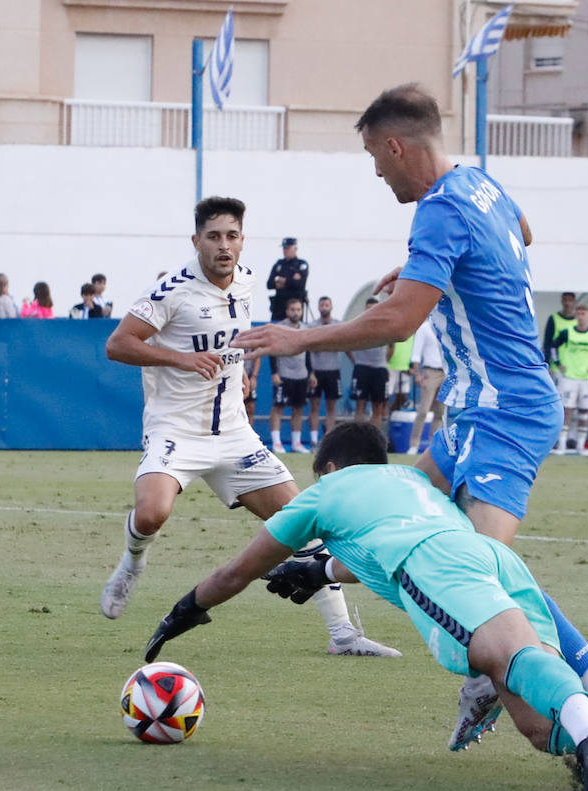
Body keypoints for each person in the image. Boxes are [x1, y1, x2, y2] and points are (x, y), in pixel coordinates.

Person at [236, 85, 588, 750]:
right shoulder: (480, 186)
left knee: (480, 575)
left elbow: (400, 319)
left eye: (375, 155)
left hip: (505, 411)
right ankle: (329, 573)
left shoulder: (438, 210)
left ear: (397, 145)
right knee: (404, 517)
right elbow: (522, 234)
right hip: (474, 411)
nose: (375, 170)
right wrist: (424, 266)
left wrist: (299, 338)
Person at [144, 421, 588, 791]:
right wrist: (323, 570)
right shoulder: (413, 486)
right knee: (539, 727)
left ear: (330, 467)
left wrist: (186, 609)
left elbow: (237, 571)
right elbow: (376, 550)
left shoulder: (327, 491)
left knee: (503, 657)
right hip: (490, 560)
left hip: (438, 569)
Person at [97, 195, 399, 659]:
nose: (224, 246)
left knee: (306, 523)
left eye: (232, 236)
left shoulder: (248, 282)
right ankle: (132, 564)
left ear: (243, 240)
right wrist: (182, 359)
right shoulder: (171, 290)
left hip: (235, 434)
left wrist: (239, 376)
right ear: (195, 240)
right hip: (177, 431)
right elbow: (118, 345)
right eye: (213, 236)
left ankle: (343, 635)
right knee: (152, 513)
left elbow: (232, 341)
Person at [548, 302, 588, 456]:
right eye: (578, 313)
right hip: (569, 378)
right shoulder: (568, 333)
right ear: (575, 315)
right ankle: (561, 445)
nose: (581, 316)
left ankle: (581, 445)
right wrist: (558, 363)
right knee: (566, 411)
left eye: (584, 313)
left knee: (584, 412)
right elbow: (553, 346)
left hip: (586, 379)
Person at [265, 297, 316, 454]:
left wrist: (311, 373)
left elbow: (307, 354)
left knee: (298, 409)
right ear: (287, 311)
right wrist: (274, 373)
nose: (296, 312)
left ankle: (296, 443)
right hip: (284, 375)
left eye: (298, 310)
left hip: (301, 375)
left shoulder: (305, 329)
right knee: (278, 408)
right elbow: (272, 352)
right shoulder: (280, 328)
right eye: (293, 309)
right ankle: (277, 443)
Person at [303, 295, 341, 447]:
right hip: (316, 371)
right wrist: (310, 372)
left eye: (327, 305)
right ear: (318, 307)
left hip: (333, 371)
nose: (324, 307)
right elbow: (307, 350)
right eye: (322, 305)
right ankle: (313, 440)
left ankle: (328, 441)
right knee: (315, 406)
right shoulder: (312, 326)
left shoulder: (338, 325)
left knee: (331, 407)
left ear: (331, 307)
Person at [347, 297, 390, 431]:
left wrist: (384, 362)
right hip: (362, 369)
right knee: (360, 406)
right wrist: (356, 362)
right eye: (369, 309)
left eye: (374, 308)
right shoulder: (357, 326)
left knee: (378, 407)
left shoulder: (387, 327)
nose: (371, 311)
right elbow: (347, 346)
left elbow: (392, 347)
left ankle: (373, 440)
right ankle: (358, 441)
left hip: (380, 370)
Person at [406, 313, 445, 455]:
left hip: (445, 373)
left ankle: (433, 446)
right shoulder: (425, 328)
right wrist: (417, 374)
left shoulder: (446, 328)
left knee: (440, 413)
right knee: (423, 411)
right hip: (430, 371)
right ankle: (414, 445)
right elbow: (416, 352)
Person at [266, 236, 308, 322]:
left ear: (295, 248)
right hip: (279, 307)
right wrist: (291, 281)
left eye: (288, 248)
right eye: (284, 248)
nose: (285, 250)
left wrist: (283, 281)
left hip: (295, 309)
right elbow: (269, 284)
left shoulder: (301, 264)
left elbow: (300, 283)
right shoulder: (279, 264)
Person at [541, 292, 579, 366]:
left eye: (570, 300)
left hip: (575, 366)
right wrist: (547, 362)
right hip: (557, 365)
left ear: (574, 302)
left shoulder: (579, 320)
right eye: (565, 300)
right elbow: (547, 342)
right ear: (562, 301)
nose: (567, 303)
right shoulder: (554, 319)